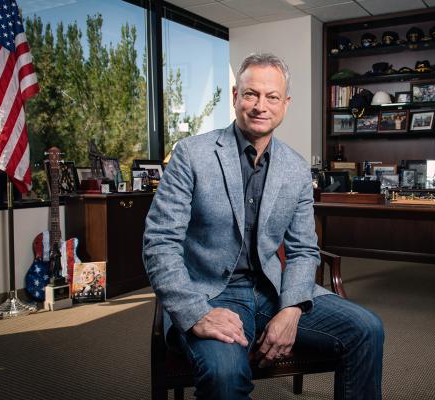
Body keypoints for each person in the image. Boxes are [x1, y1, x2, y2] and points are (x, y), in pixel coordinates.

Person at [143, 53, 384, 400]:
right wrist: (195, 313)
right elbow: (160, 243)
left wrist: (292, 308)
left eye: (272, 97)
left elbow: (303, 250)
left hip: (275, 290)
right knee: (224, 375)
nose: (261, 106)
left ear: (285, 104)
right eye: (251, 94)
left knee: (367, 329)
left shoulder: (296, 168)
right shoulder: (191, 155)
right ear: (235, 96)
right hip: (210, 294)